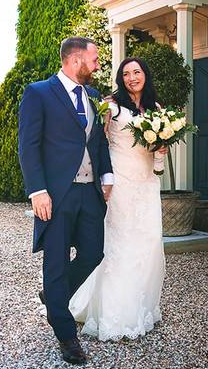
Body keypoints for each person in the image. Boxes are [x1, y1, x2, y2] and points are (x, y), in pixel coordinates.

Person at [18, 37, 114, 365]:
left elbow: (98, 143)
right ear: (75, 60)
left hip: (89, 192)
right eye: (95, 59)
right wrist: (37, 190)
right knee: (56, 262)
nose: (99, 64)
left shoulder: (94, 96)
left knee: (93, 252)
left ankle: (53, 297)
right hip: (56, 194)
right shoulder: (39, 93)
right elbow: (28, 146)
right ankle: (65, 333)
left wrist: (107, 176)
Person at [69, 56, 166, 340]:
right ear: (120, 79)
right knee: (120, 244)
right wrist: (103, 178)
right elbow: (98, 141)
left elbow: (157, 154)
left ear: (145, 75)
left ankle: (141, 306)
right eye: (126, 74)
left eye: (137, 72)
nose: (132, 77)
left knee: (148, 242)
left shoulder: (156, 110)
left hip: (147, 183)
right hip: (120, 180)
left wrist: (160, 154)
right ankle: (114, 314)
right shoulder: (112, 106)